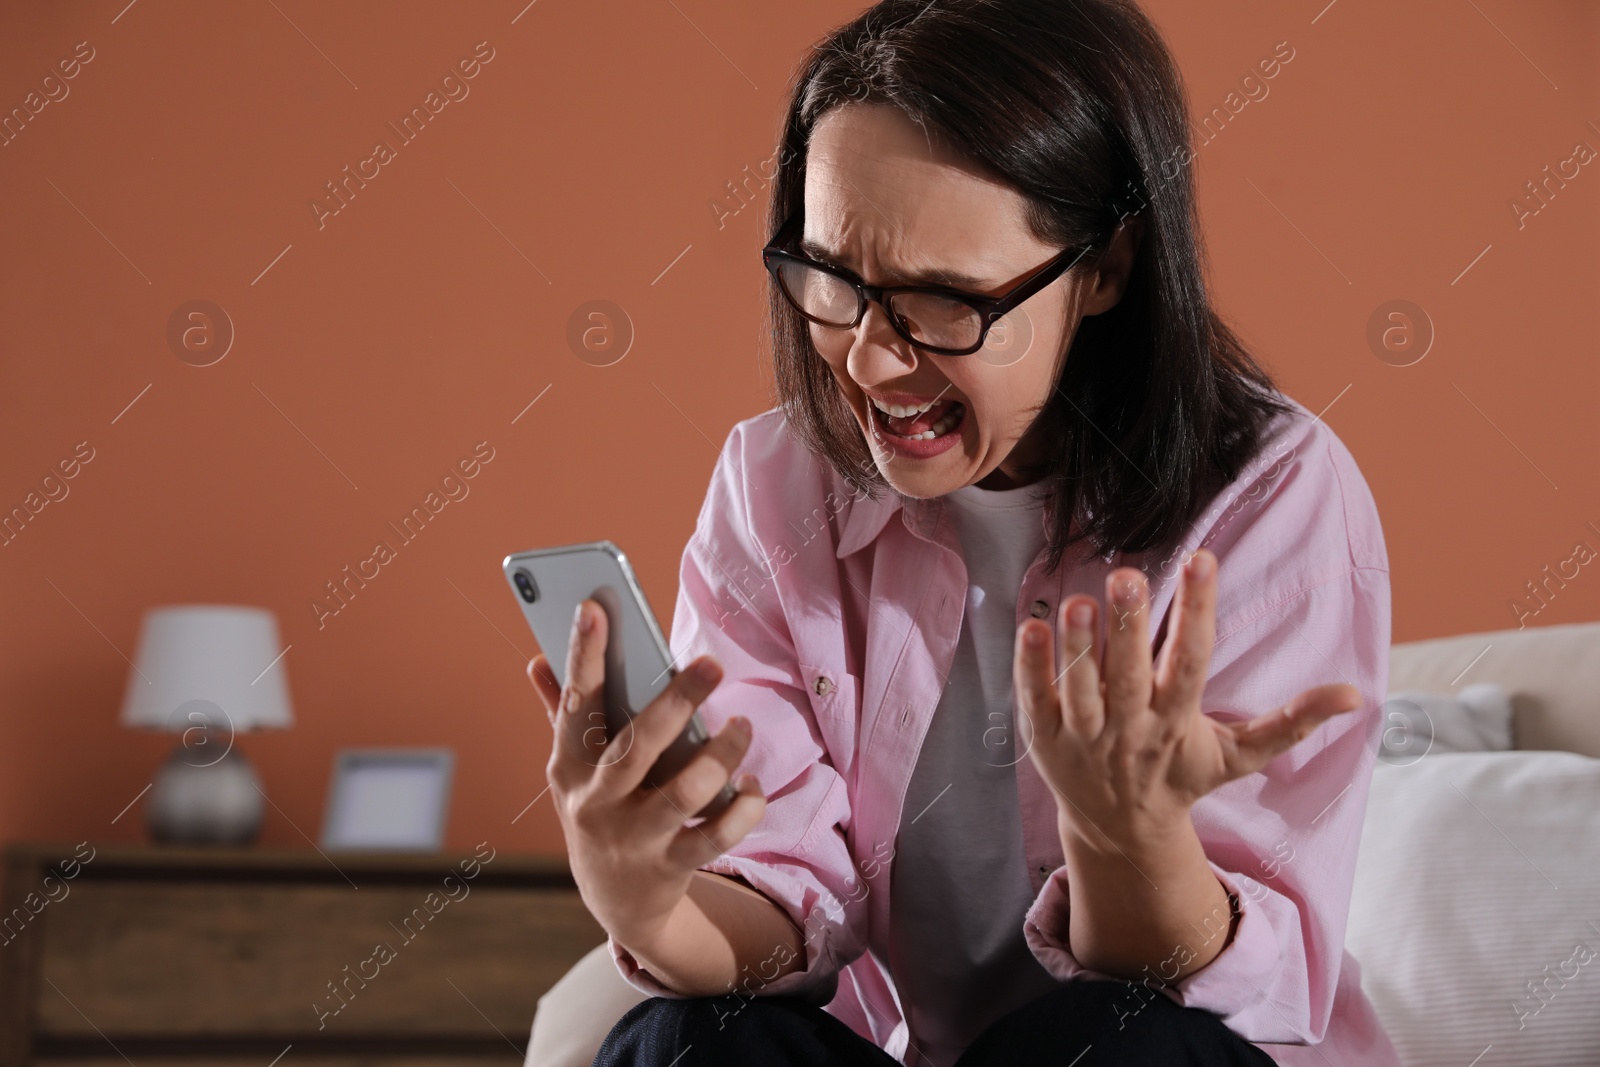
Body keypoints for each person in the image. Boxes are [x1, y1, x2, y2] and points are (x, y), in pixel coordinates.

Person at [525, 0, 1402, 1063]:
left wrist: (1127, 833)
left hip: (1162, 1040)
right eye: (832, 280)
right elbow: (775, 914)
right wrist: (644, 897)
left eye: (943, 301)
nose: (869, 360)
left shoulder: (1271, 494)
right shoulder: (773, 489)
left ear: (1105, 268)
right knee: (681, 1036)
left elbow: (1207, 989)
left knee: (1110, 1041)